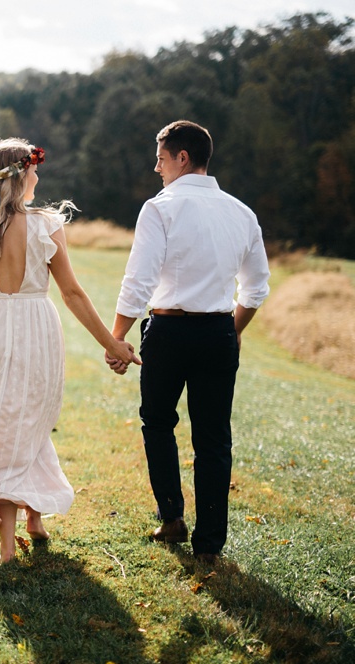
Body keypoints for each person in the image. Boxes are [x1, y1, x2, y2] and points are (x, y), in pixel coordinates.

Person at [0, 138, 140, 565]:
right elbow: (73, 292)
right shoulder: (45, 224)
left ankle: (34, 518)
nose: (38, 177)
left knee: (7, 419)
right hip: (33, 327)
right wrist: (111, 343)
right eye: (35, 170)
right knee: (24, 416)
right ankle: (9, 546)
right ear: (23, 173)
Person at [106, 120, 270, 564]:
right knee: (214, 439)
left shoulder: (160, 208)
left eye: (160, 158)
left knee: (158, 423)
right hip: (219, 332)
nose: (155, 167)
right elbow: (256, 289)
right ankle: (209, 546)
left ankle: (173, 518)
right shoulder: (242, 212)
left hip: (170, 332)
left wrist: (116, 337)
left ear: (182, 157)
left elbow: (138, 281)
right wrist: (231, 330)